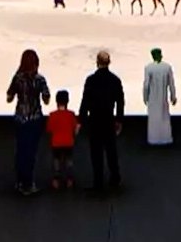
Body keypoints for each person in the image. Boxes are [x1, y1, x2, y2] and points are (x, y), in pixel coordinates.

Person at [78, 50, 125, 194]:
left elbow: (85, 101)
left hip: (95, 120)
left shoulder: (91, 80)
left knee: (96, 152)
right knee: (111, 150)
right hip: (108, 118)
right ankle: (115, 178)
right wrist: (119, 119)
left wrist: (82, 119)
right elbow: (120, 102)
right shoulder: (115, 80)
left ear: (97, 62)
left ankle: (98, 182)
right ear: (109, 62)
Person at [5, 48, 51, 195]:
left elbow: (9, 97)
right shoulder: (40, 79)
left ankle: (19, 181)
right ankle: (28, 183)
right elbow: (47, 98)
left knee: (20, 150)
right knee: (31, 152)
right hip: (35, 118)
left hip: (20, 117)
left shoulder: (17, 78)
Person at [143, 48, 177, 145]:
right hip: (163, 97)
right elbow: (171, 84)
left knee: (154, 118)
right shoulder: (167, 67)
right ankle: (165, 138)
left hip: (153, 98)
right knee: (164, 117)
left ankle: (154, 139)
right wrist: (173, 97)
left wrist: (145, 97)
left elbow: (146, 85)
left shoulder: (149, 68)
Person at [47, 89, 78, 191]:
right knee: (69, 161)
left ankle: (56, 180)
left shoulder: (52, 115)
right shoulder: (71, 114)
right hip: (68, 142)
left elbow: (49, 129)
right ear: (67, 101)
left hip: (56, 142)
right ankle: (69, 180)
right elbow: (75, 128)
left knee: (56, 161)